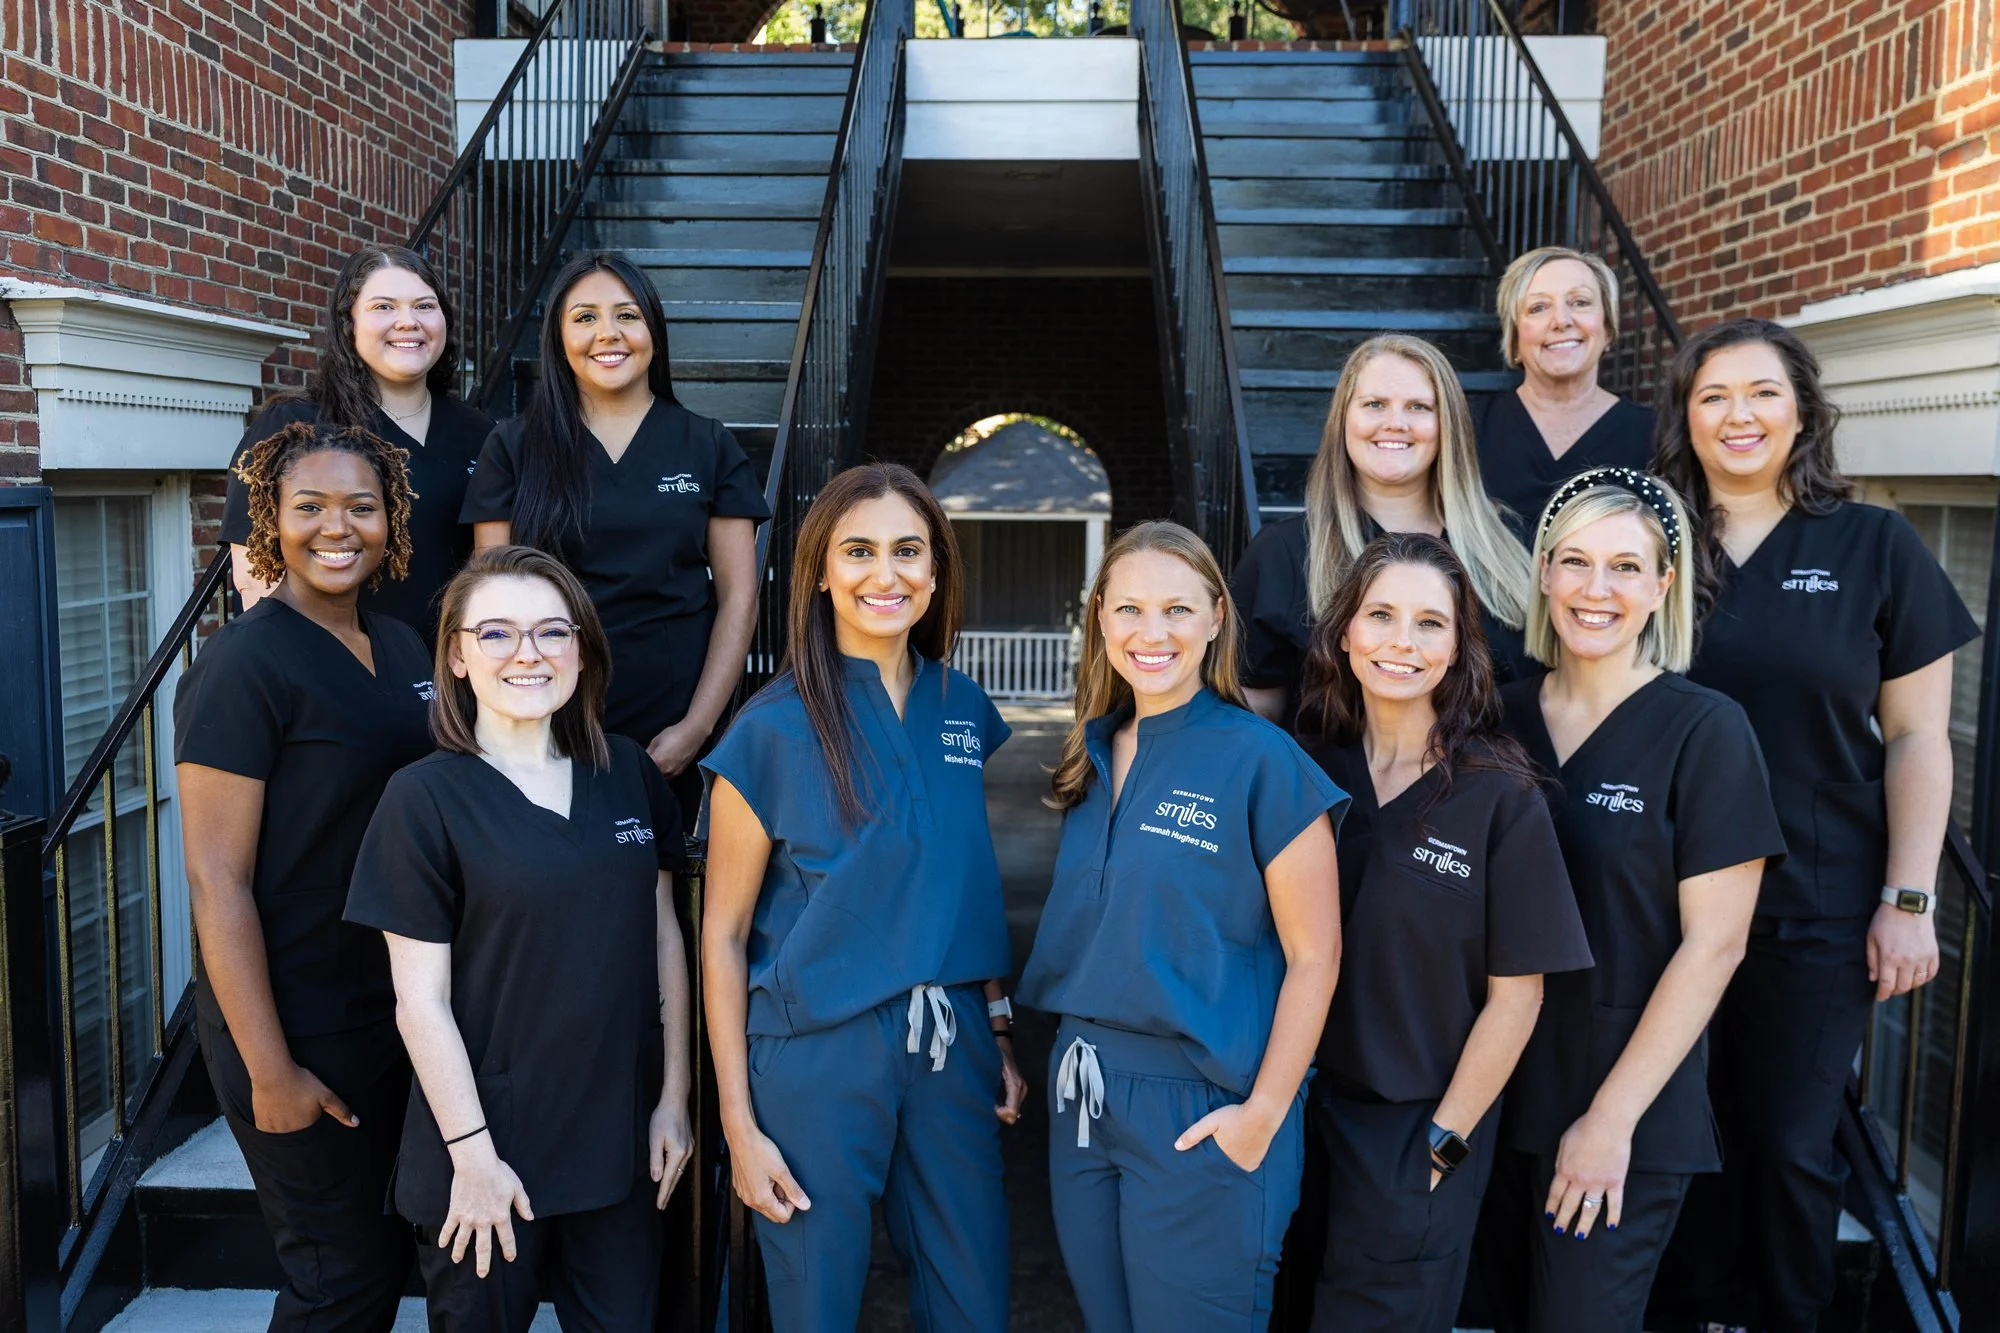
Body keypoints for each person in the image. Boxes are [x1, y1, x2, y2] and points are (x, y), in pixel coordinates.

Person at [1650, 320, 1978, 1333]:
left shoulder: (1870, 543)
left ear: (1802, 409)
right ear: (1684, 418)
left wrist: (1908, 898)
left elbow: (1918, 735)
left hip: (1816, 902)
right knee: (1676, 1132)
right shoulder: (1646, 538)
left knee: (1788, 1143)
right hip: (1656, 901)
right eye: (1711, 397)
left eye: (1760, 393)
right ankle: (1688, 1314)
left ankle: (1788, 1317)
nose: (1736, 416)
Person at [700, 464, 1027, 1332]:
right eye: (859, 551)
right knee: (817, 1305)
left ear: (936, 569)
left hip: (949, 1040)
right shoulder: (767, 728)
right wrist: (737, 1118)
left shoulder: (963, 705)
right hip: (816, 1051)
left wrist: (995, 1025)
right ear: (819, 571)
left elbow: (963, 874)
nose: (886, 574)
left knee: (973, 1302)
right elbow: (724, 934)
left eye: (908, 551)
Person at [344, 545, 693, 1329]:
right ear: (458, 658)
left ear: (582, 648)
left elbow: (663, 938)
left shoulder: (628, 772)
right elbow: (420, 1002)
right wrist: (471, 1154)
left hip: (618, 1147)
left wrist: (673, 1099)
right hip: (486, 1152)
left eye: (551, 632)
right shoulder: (422, 798)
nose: (527, 654)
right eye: (496, 633)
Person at [1477, 468, 1785, 1332]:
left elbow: (1715, 946)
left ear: (1663, 584)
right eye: (1575, 562)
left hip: (1622, 1107)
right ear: (1543, 574)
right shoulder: (1496, 721)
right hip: (1493, 1093)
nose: (1596, 589)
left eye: (1624, 566)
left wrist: (1610, 1121)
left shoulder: (1706, 730)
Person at [1018, 520, 1346, 1333]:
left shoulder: (1262, 761)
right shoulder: (1086, 756)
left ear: (1216, 616)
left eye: (1176, 608)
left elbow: (1317, 956)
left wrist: (1263, 1114)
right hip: (1085, 1095)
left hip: (1206, 1106)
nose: (1151, 632)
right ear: (1100, 619)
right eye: (1128, 609)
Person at [1294, 532, 1593, 1333]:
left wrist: (1445, 1142)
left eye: (1431, 623)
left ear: (1460, 648)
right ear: (1344, 631)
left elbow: (1518, 998)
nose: (1401, 641)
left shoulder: (1499, 795)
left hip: (1410, 1130)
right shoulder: (1304, 767)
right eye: (1381, 614)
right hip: (1292, 1117)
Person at [175, 421, 432, 1331]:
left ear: (391, 518)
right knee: (339, 1279)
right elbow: (215, 877)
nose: (339, 526)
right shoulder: (243, 664)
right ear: (269, 522)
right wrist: (270, 1068)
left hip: (394, 1006)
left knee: (388, 1257)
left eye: (362, 505)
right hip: (293, 1017)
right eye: (309, 506)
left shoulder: (404, 650)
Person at [463, 250, 768, 826]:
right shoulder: (513, 447)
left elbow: (739, 598)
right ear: (558, 337)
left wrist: (695, 728)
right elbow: (488, 602)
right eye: (584, 318)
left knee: (660, 896)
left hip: (670, 719)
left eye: (627, 315)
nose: (608, 334)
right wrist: (512, 721)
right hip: (543, 711)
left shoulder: (707, 445)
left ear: (652, 328)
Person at [1232, 333, 1535, 723]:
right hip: (1334, 783)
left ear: (1449, 424)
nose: (1395, 423)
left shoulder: (1511, 543)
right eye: (1375, 404)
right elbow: (1253, 712)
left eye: (1418, 407)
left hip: (1496, 780)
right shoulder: (1283, 554)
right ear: (1344, 417)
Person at [221, 244, 491, 640]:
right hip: (341, 673)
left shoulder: (480, 434)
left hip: (457, 676)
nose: (407, 322)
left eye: (424, 306)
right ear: (350, 323)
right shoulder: (297, 425)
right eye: (384, 307)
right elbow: (256, 578)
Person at [1475, 246, 1655, 530]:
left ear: (1608, 327)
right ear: (1515, 337)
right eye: (1538, 307)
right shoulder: (1470, 428)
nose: (1561, 320)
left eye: (1580, 302)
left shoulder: (1654, 436)